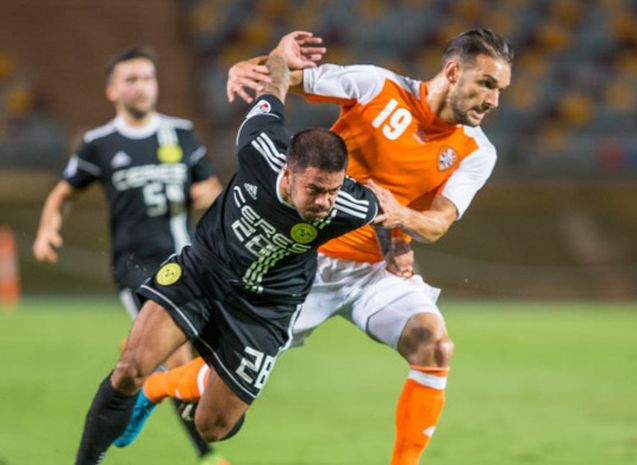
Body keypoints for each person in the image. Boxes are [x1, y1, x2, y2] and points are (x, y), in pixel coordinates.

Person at [137, 28, 513, 465]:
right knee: (220, 406)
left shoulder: (477, 151)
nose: (494, 101)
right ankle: (157, 387)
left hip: (374, 271)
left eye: (500, 90)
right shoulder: (377, 85)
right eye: (487, 84)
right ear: (452, 71)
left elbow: (439, 222)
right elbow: (289, 78)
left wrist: (400, 216)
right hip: (302, 263)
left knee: (434, 345)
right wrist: (253, 66)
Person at [72, 32, 380, 465]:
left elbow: (391, 213)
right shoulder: (257, 143)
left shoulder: (351, 204)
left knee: (214, 425)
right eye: (315, 190)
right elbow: (274, 87)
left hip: (267, 309)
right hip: (202, 272)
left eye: (332, 190)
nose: (325, 202)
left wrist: (402, 246)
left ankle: (169, 387)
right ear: (288, 174)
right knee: (128, 370)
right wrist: (278, 55)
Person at [32, 46, 227, 464]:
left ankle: (144, 366)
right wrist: (49, 227)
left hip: (185, 262)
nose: (141, 87)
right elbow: (64, 191)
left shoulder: (181, 132)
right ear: (112, 90)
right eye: (131, 79)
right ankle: (206, 455)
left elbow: (211, 188)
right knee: (179, 357)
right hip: (134, 268)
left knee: (182, 358)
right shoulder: (100, 143)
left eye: (148, 78)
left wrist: (204, 194)